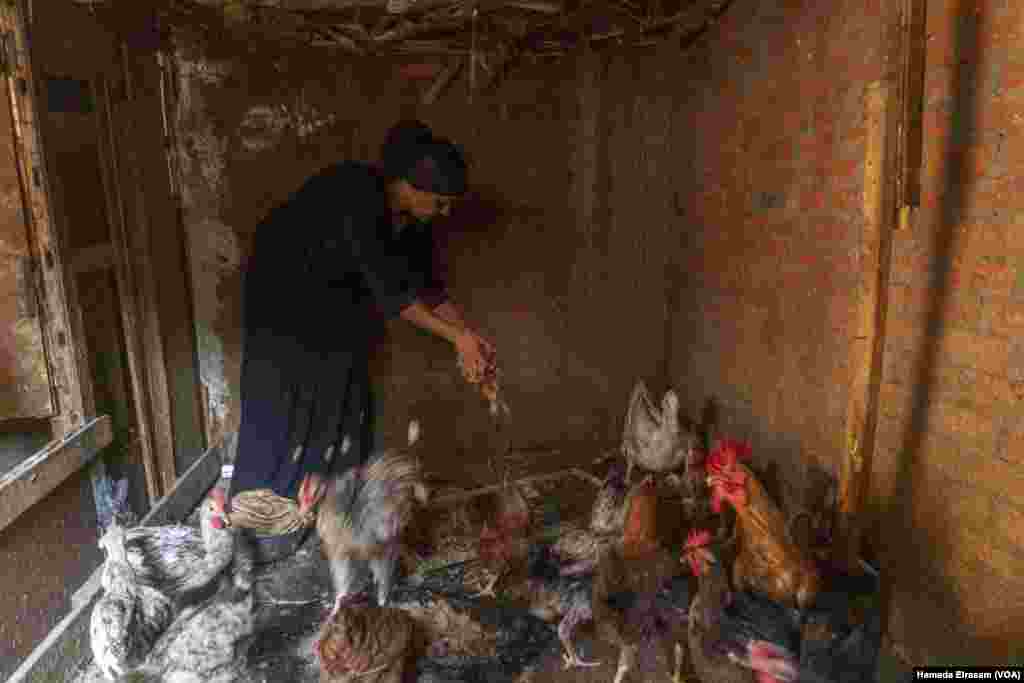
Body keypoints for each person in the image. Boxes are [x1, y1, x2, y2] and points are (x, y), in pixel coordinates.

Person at [226, 120, 494, 543]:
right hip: (285, 289)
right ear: (413, 186)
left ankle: (323, 507)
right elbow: (395, 297)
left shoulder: (413, 221)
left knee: (345, 390)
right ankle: (258, 519)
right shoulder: (356, 196)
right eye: (440, 202)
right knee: (283, 392)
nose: (445, 213)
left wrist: (468, 336)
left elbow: (426, 288)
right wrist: (455, 339)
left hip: (337, 297)